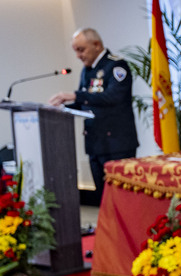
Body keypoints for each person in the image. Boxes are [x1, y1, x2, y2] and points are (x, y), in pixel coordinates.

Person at [49, 27, 139, 197]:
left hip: (116, 145)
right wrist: (61, 108)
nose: (78, 56)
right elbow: (85, 103)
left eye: (81, 50)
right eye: (75, 51)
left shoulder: (116, 66)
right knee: (102, 198)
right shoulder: (87, 70)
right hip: (95, 144)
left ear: (96, 45)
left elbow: (112, 97)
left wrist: (75, 95)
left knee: (120, 197)